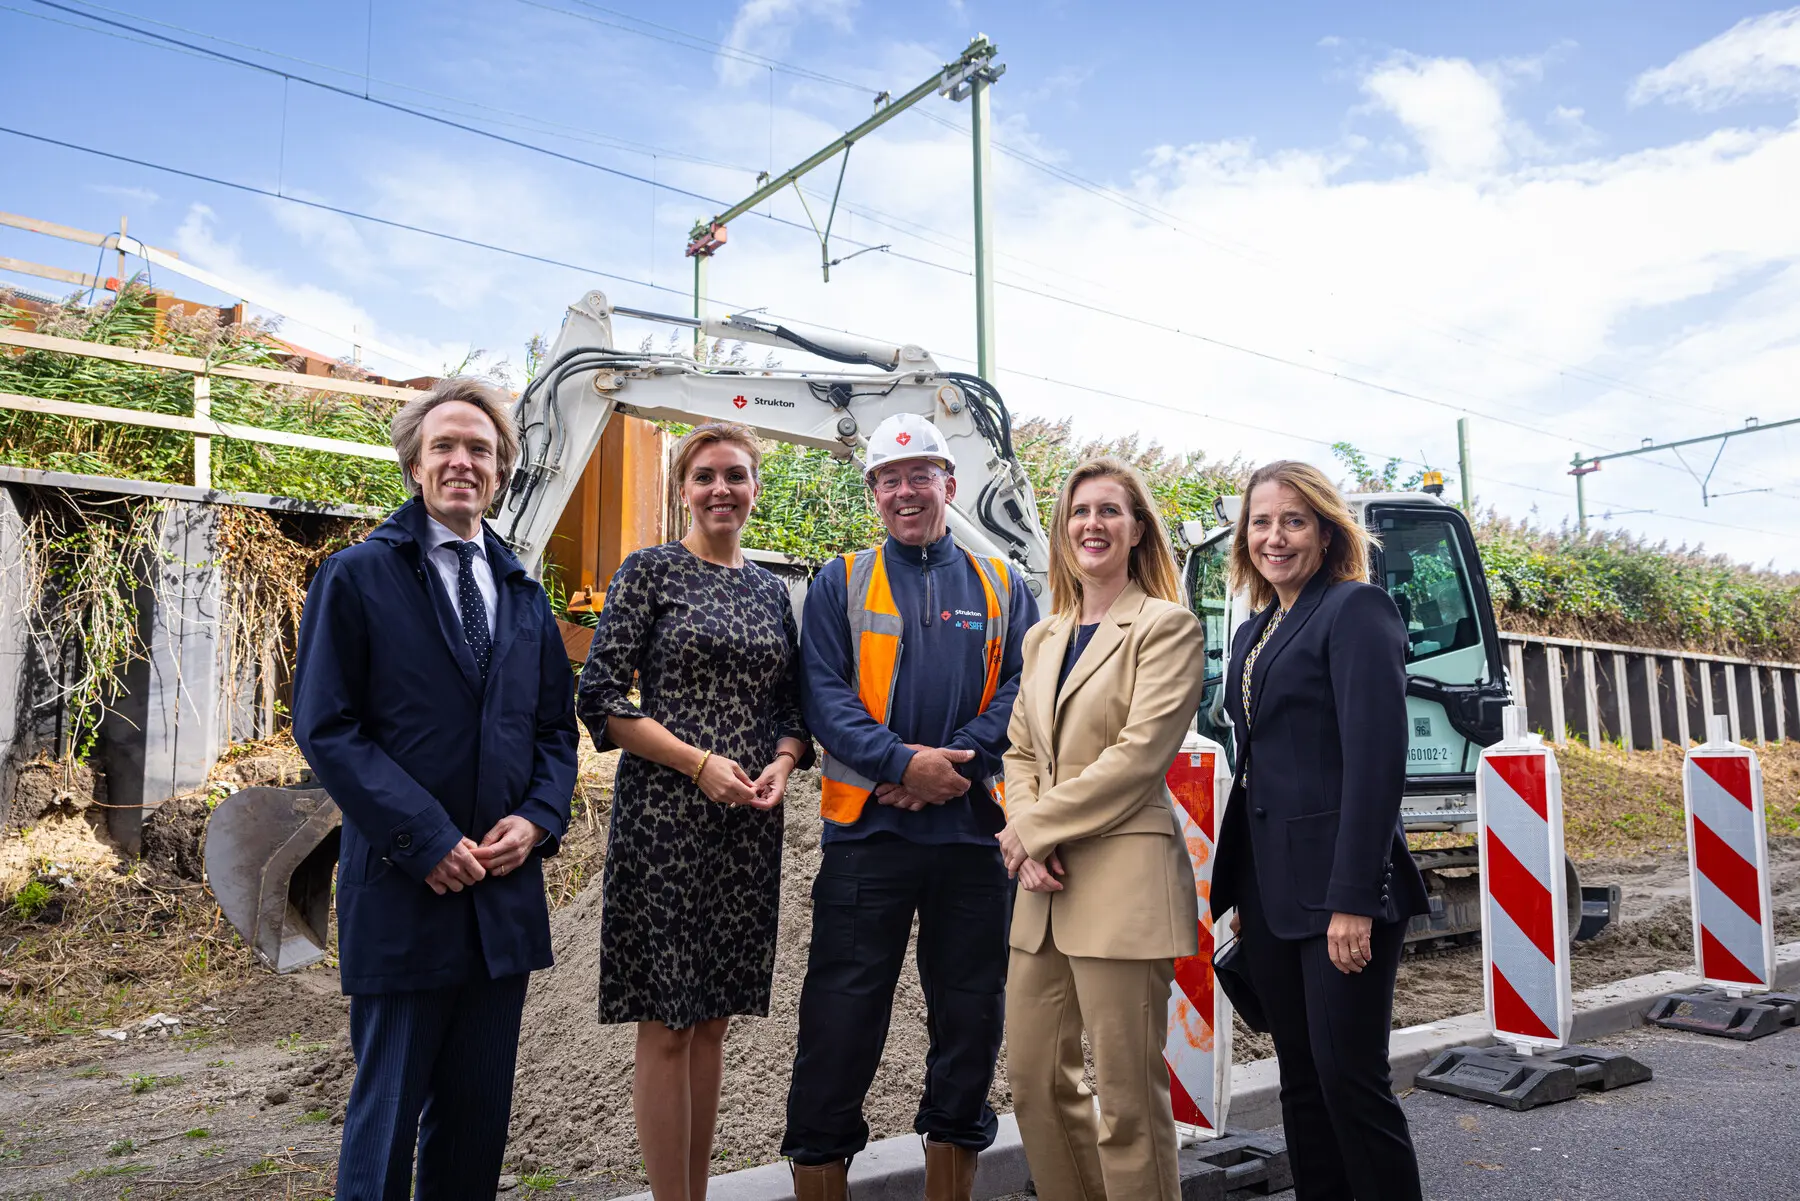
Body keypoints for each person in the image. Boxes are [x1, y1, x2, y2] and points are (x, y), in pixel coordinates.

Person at [292, 378, 578, 1201]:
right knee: (386, 1123)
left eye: (480, 450)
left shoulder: (523, 595)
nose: (463, 461)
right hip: (406, 892)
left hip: (503, 901)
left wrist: (538, 819)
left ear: (502, 473)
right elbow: (328, 727)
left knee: (475, 1124)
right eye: (446, 446)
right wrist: (423, 837)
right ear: (415, 464)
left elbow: (556, 733)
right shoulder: (358, 577)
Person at [782, 413, 1038, 1201]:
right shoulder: (841, 580)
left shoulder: (1002, 584)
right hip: (870, 838)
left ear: (948, 486)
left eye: (920, 474)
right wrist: (901, 764)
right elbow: (822, 695)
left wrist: (950, 764)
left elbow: (1021, 693)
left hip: (971, 838)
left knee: (970, 1020)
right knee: (840, 1021)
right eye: (889, 479)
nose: (905, 490)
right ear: (873, 495)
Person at [577, 423, 812, 1201]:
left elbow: (791, 707)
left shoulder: (770, 590)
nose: (722, 489)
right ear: (683, 488)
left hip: (748, 826)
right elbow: (601, 699)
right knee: (669, 1023)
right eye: (706, 475)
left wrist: (780, 763)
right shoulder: (650, 572)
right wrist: (699, 764)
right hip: (665, 822)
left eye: (736, 475)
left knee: (713, 1020)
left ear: (754, 488)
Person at [1209, 460, 1430, 1201]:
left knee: (1350, 1083)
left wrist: (1354, 898)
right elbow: (1260, 772)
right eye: (1262, 521)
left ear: (1328, 531)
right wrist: (1241, 887)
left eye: (1294, 520)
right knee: (1299, 1085)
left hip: (1341, 893)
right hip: (1273, 897)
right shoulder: (1253, 631)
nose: (1275, 536)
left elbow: (1376, 765)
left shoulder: (1356, 610)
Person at [996, 457, 1206, 1200]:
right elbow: (1019, 750)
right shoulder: (1043, 636)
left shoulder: (1166, 627)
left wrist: (1032, 831)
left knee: (1124, 1101)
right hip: (1042, 890)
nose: (1093, 523)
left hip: (1122, 887)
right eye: (1080, 511)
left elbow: (1138, 756)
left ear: (1137, 528)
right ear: (1062, 530)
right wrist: (1027, 831)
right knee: (1034, 1087)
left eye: (1110, 510)